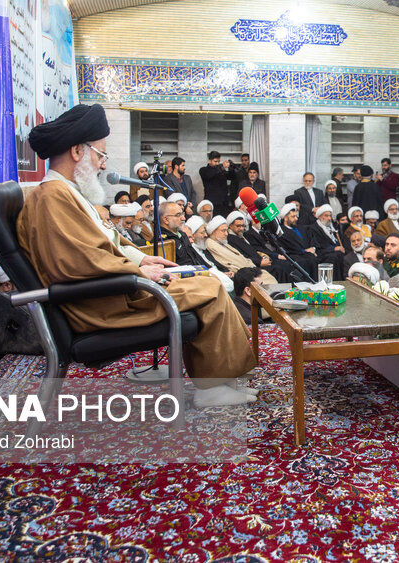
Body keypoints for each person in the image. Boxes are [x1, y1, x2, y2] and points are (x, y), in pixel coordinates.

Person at [20, 104, 255, 407]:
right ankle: (212, 388)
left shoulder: (67, 192)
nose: (103, 165)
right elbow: (76, 264)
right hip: (103, 303)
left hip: (114, 287)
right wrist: (139, 275)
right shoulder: (52, 197)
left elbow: (107, 242)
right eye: (100, 155)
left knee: (207, 280)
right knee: (209, 289)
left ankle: (222, 377)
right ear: (77, 151)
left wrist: (142, 260)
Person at [205, 215, 276, 285]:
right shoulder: (211, 245)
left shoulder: (223, 242)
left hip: (251, 269)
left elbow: (242, 258)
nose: (226, 234)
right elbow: (227, 264)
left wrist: (253, 268)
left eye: (226, 231)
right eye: (223, 231)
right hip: (244, 275)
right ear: (214, 232)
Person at [198, 151, 236, 216]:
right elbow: (209, 175)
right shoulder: (203, 170)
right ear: (209, 161)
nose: (217, 163)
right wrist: (222, 167)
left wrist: (231, 168)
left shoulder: (220, 170)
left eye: (218, 161)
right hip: (212, 203)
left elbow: (231, 177)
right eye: (215, 161)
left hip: (224, 203)